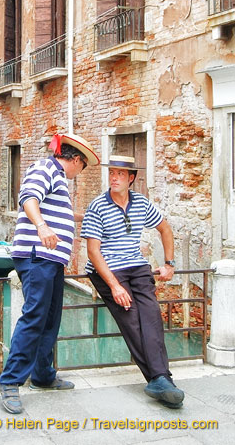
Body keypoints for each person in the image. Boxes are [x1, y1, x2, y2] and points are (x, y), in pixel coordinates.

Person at [0, 133, 100, 414]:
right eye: (82, 167)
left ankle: (43, 375)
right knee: (34, 317)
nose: (80, 173)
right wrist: (42, 226)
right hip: (37, 255)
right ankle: (10, 382)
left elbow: (56, 212)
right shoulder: (45, 168)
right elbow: (29, 197)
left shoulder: (58, 180)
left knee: (50, 318)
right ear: (76, 160)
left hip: (51, 260)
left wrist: (77, 217)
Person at [81, 155, 185, 409]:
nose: (114, 178)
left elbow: (165, 229)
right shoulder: (97, 206)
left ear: (131, 178)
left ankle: (161, 380)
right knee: (131, 316)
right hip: (106, 269)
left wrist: (169, 264)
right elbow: (93, 251)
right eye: (111, 173)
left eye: (120, 174)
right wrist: (115, 286)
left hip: (137, 267)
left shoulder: (141, 203)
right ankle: (160, 379)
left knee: (150, 316)